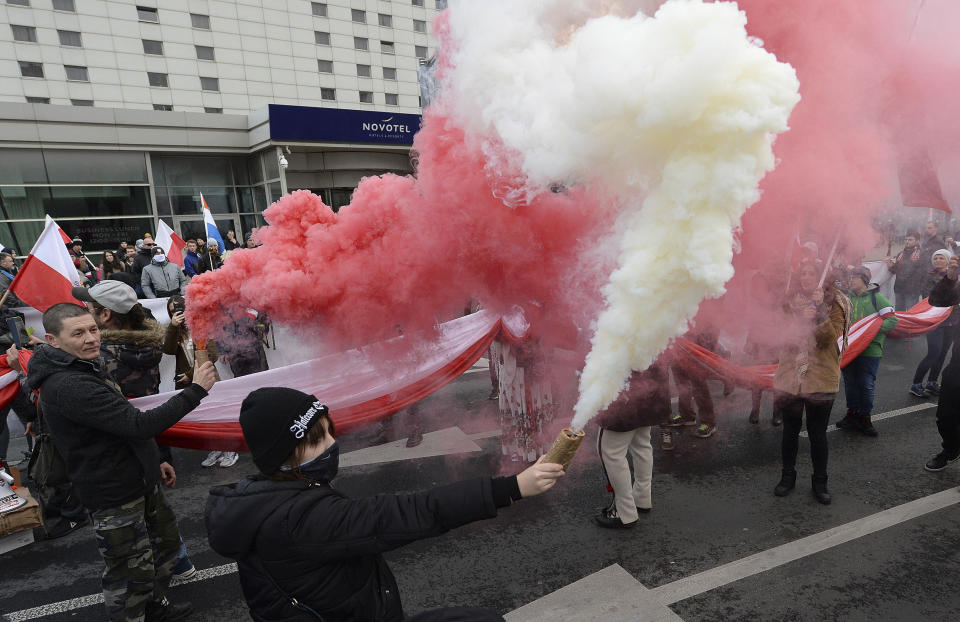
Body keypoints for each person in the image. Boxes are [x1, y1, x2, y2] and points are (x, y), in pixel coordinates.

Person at [205, 387, 563, 621]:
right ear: (283, 456)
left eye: (330, 431)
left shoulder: (263, 497)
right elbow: (413, 512)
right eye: (318, 440)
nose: (332, 444)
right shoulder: (301, 520)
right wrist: (512, 487)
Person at [26, 301, 216, 621]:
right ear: (52, 340)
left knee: (162, 551)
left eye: (93, 329)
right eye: (78, 333)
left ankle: (153, 606)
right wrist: (197, 390)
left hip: (138, 478)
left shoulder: (83, 366)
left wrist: (152, 460)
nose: (91, 338)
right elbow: (138, 424)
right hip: (114, 492)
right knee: (129, 573)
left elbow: (122, 423)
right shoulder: (70, 384)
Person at [75, 281, 200, 581]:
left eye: (90, 311)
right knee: (154, 503)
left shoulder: (100, 357)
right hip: (151, 432)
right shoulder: (147, 341)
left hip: (124, 440)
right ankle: (178, 562)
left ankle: (153, 577)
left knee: (133, 512)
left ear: (105, 316)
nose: (86, 317)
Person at [772, 260, 850, 505]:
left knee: (817, 434)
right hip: (790, 376)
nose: (806, 277)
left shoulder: (836, 302)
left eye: (812, 273)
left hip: (821, 377)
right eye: (802, 272)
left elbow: (829, 340)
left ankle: (820, 481)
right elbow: (780, 336)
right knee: (790, 432)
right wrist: (798, 322)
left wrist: (819, 315)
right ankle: (787, 476)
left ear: (823, 277)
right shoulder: (789, 300)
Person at [161, 295, 237, 469]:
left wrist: (190, 374)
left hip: (207, 379)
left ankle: (230, 449)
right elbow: (169, 350)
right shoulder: (175, 330)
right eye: (173, 311)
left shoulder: (200, 325)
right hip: (189, 384)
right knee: (204, 418)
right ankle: (215, 448)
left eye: (180, 308)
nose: (178, 313)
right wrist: (173, 326)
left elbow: (212, 354)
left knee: (217, 414)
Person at [594, 361, 669, 529]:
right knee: (642, 444)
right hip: (652, 385)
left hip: (627, 391)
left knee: (611, 452)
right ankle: (642, 498)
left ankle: (624, 512)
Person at [835, 266, 898, 436]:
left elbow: (892, 321)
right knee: (850, 383)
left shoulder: (877, 299)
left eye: (854, 277)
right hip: (849, 349)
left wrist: (869, 332)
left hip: (870, 351)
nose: (851, 280)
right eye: (850, 277)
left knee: (866, 384)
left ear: (864, 279)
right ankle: (852, 414)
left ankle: (865, 418)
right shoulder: (846, 299)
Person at [924, 254, 960, 471]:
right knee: (945, 416)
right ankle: (952, 448)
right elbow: (936, 301)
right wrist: (950, 278)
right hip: (958, 364)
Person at [911, 249, 957, 397]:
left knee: (943, 354)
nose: (938, 260)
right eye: (935, 258)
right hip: (935, 322)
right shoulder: (929, 276)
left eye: (941, 258)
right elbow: (929, 296)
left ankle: (932, 382)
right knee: (934, 353)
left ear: (948, 260)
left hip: (952, 321)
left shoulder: (956, 276)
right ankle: (916, 384)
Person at [886, 231, 926, 311]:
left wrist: (920, 288)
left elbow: (923, 273)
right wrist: (891, 266)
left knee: (912, 314)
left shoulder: (922, 254)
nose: (907, 241)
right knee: (899, 312)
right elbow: (895, 270)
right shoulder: (901, 254)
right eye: (906, 239)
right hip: (899, 288)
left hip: (912, 290)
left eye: (910, 240)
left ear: (918, 241)